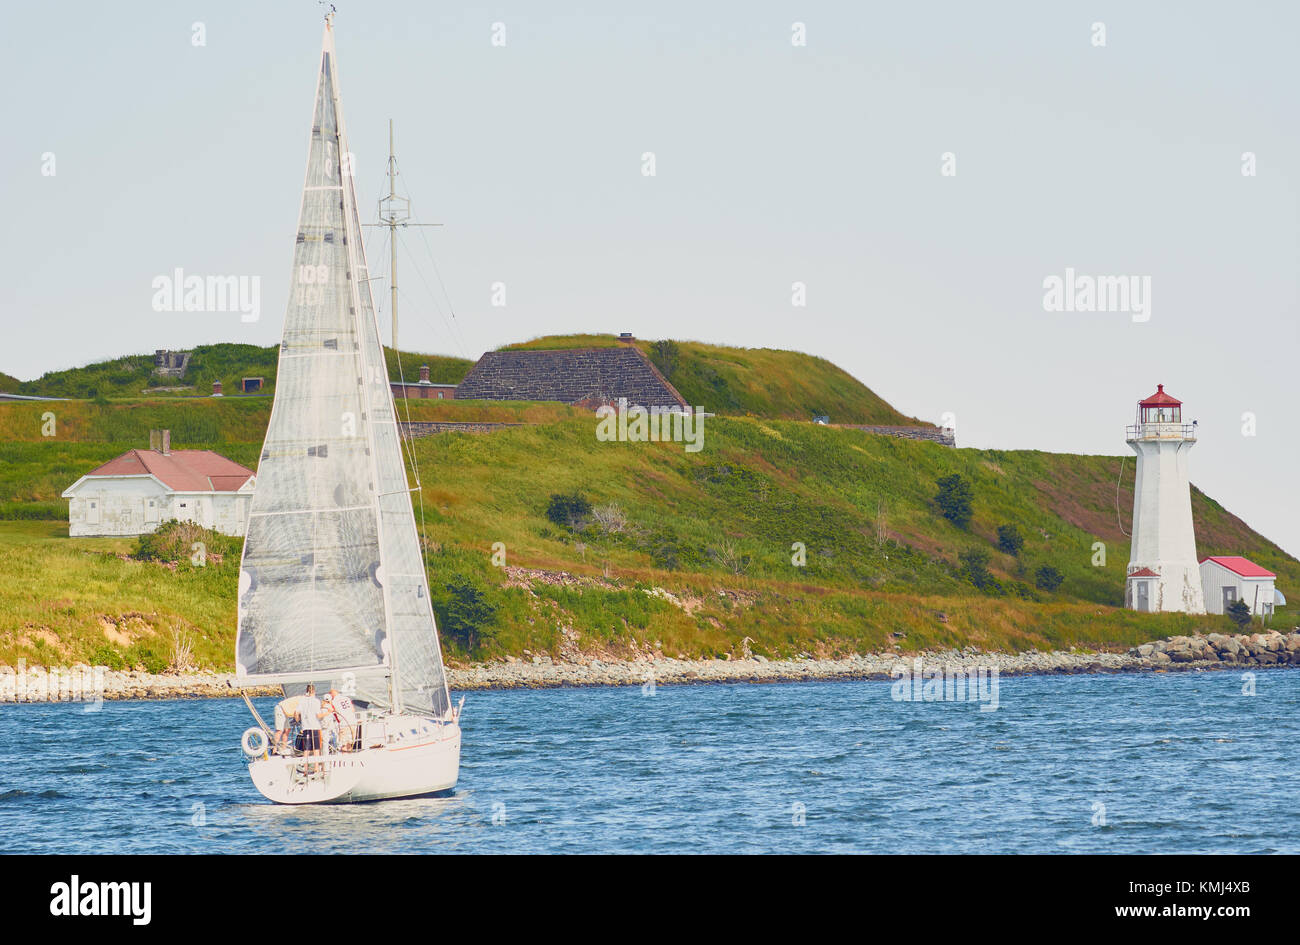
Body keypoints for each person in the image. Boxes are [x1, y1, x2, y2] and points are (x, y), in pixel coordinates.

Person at [296, 684, 326, 772]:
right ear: (314, 691)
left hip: (305, 727)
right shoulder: (316, 701)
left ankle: (305, 769)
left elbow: (296, 712)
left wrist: (297, 720)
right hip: (315, 727)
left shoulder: (302, 701)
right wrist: (328, 712)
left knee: (307, 749)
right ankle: (316, 767)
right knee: (316, 749)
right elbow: (319, 715)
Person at [322, 686, 358, 752]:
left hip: (344, 724)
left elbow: (331, 710)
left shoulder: (333, 701)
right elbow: (353, 709)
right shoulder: (346, 698)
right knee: (349, 744)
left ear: (331, 695)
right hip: (353, 722)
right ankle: (349, 759)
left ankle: (344, 760)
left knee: (343, 745)